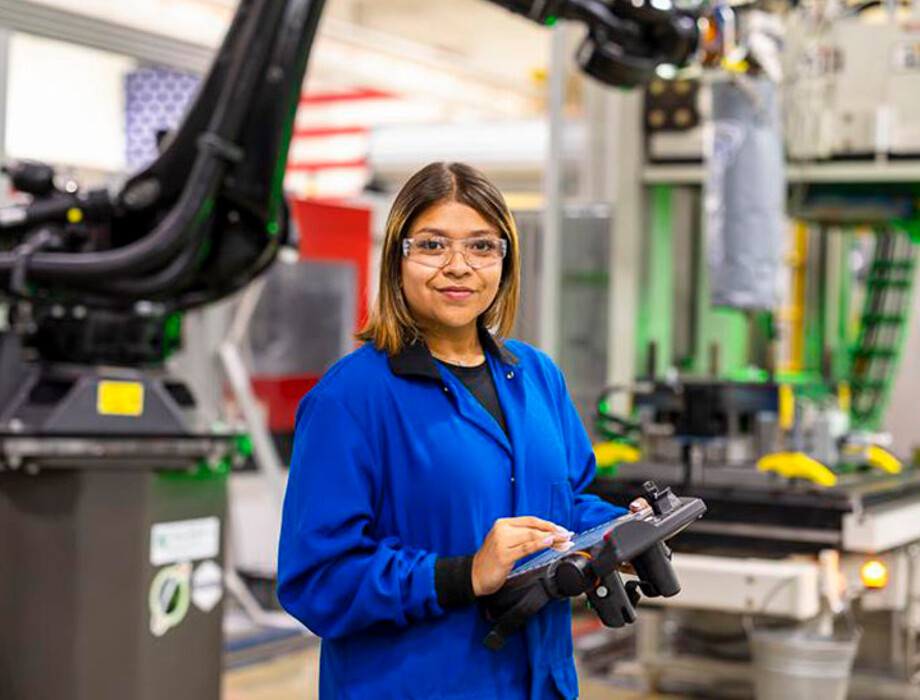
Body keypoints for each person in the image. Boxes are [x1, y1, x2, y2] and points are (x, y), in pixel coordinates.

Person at [277, 162, 645, 699]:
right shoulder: (351, 398)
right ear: (398, 258)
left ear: (505, 261)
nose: (458, 266)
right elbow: (317, 579)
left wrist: (618, 533)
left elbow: (564, 504)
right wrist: (463, 573)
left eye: (481, 246)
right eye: (432, 245)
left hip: (539, 682)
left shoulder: (536, 375)